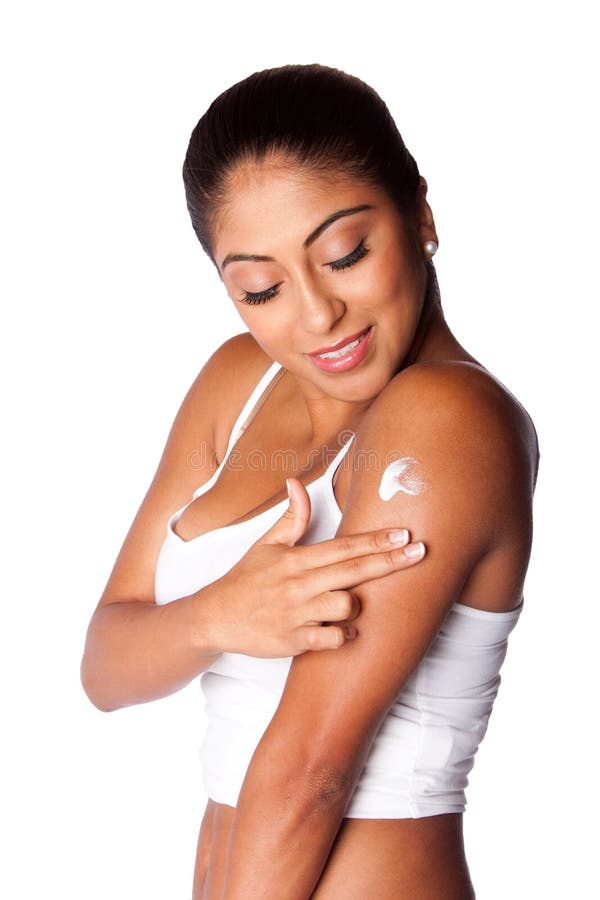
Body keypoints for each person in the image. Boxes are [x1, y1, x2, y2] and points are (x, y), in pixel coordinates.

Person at [81, 63, 539, 899]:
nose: (316, 316)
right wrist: (219, 613)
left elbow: (309, 775)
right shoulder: (238, 382)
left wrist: (206, 624)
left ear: (421, 214)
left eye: (344, 253)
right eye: (260, 288)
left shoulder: (445, 419)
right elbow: (105, 666)